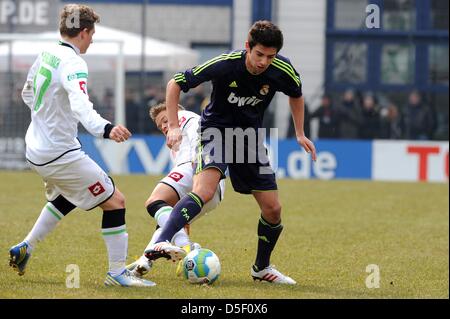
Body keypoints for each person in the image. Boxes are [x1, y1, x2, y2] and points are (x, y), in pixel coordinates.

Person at [145, 20, 316, 285]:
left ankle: (261, 268)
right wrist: (174, 127)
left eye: (270, 57)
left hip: (249, 138)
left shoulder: (282, 69)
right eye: (259, 54)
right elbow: (175, 84)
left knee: (273, 210)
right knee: (204, 190)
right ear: (248, 47)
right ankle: (161, 242)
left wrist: (300, 132)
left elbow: (296, 94)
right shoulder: (224, 64)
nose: (263, 62)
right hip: (215, 132)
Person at [8, 4, 155, 287]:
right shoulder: (73, 63)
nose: (92, 39)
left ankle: (26, 246)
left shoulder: (46, 54)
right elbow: (81, 106)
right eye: (92, 33)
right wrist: (107, 129)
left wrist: (49, 116)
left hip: (36, 150)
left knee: (67, 196)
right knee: (116, 202)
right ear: (84, 32)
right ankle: (117, 273)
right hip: (58, 152)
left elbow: (27, 93)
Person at [126, 102, 225, 277]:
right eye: (160, 125)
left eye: (165, 120)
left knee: (154, 202)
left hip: (196, 166)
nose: (164, 126)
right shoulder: (176, 143)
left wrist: (199, 163)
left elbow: (201, 131)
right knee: (170, 219)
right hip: (214, 191)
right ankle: (145, 260)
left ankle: (185, 245)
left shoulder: (183, 117)